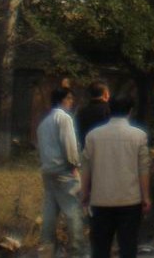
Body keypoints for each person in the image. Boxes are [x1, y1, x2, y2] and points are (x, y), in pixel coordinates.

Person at [81, 95, 151, 258]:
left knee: (100, 248)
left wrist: (84, 194)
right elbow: (143, 169)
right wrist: (146, 197)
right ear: (130, 111)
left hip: (101, 200)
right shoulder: (139, 136)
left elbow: (86, 169)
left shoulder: (93, 136)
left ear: (109, 110)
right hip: (130, 200)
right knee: (128, 247)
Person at [37, 86, 86, 258]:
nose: (72, 102)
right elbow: (69, 145)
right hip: (64, 171)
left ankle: (46, 247)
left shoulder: (44, 123)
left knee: (50, 211)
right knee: (73, 211)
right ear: (62, 100)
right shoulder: (64, 118)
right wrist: (74, 165)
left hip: (47, 171)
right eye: (69, 98)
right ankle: (77, 249)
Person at [76, 80, 111, 146]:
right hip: (105, 147)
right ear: (106, 94)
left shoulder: (81, 111)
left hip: (86, 147)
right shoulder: (109, 110)